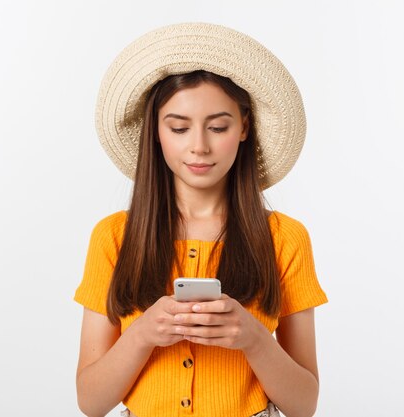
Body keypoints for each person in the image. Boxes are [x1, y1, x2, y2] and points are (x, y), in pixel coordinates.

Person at [74, 23, 328, 417]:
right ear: (155, 132)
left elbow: (304, 405)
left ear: (244, 127)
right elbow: (90, 402)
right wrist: (142, 335)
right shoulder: (114, 237)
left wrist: (254, 339)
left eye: (218, 127)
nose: (198, 146)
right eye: (178, 127)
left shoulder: (284, 239)